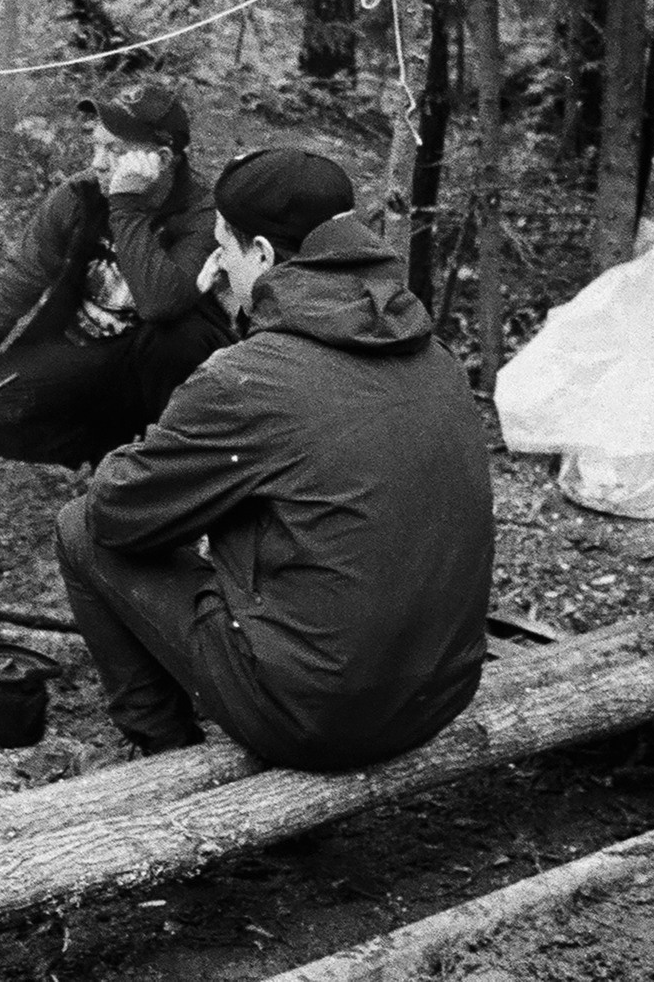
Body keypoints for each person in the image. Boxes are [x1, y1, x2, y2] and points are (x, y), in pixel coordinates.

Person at [53, 147, 493, 770]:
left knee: (79, 526)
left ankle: (161, 752)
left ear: (261, 254)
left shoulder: (252, 379)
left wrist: (163, 435)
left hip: (319, 719)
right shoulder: (433, 353)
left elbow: (117, 513)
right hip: (441, 693)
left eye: (222, 249)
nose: (215, 267)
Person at [0, 81, 233, 468]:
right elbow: (19, 279)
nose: (98, 162)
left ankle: (168, 463)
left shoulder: (203, 215)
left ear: (162, 159)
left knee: (177, 342)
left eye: (114, 151)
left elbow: (161, 303)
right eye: (96, 146)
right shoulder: (80, 196)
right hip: (77, 353)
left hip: (149, 364)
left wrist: (127, 207)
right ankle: (106, 449)